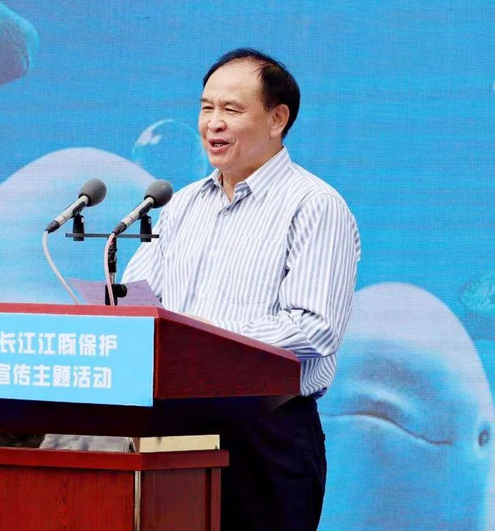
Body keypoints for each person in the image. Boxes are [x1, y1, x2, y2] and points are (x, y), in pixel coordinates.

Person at [122, 48, 360, 531]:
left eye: (231, 109)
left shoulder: (314, 205)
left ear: (277, 119)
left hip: (266, 432)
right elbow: (137, 302)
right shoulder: (182, 205)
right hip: (174, 427)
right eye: (206, 108)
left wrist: (204, 335)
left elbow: (315, 328)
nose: (214, 123)